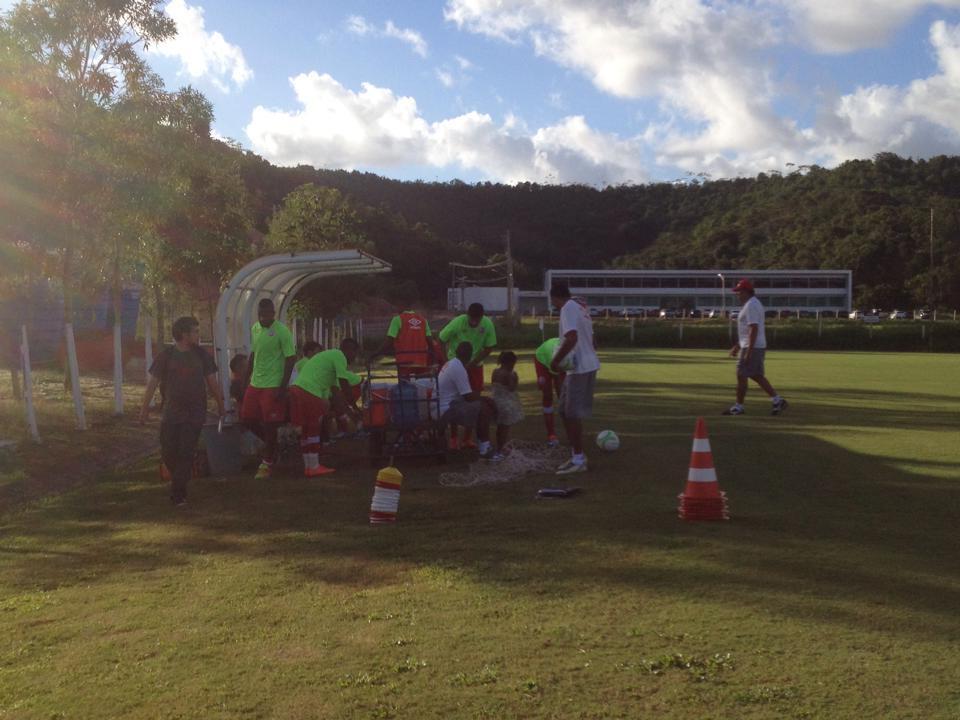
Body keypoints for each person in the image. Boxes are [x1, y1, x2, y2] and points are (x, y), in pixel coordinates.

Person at [139, 316, 224, 506]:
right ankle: (181, 479)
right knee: (168, 452)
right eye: (195, 331)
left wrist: (220, 404)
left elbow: (212, 383)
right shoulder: (167, 355)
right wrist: (144, 409)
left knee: (186, 451)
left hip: (195, 412)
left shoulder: (202, 355)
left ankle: (178, 494)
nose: (198, 335)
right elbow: (152, 383)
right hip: (171, 412)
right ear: (184, 334)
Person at [240, 298, 296, 479]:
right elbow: (254, 354)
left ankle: (267, 462)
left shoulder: (282, 331)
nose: (263, 318)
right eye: (260, 315)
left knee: (271, 424)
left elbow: (290, 358)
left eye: (267, 315)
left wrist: (283, 386)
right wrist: (245, 379)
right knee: (247, 418)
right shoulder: (255, 328)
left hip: (273, 385)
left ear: (273, 313)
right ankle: (273, 446)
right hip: (256, 383)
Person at [549, 282, 600, 475]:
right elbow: (593, 340)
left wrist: (556, 360)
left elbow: (571, 337)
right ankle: (575, 455)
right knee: (564, 411)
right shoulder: (580, 307)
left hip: (580, 368)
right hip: (583, 365)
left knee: (572, 414)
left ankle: (579, 459)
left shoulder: (568, 308)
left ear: (555, 298)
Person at [291, 338, 361, 475]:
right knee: (313, 429)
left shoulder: (330, 359)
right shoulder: (339, 356)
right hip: (310, 391)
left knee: (306, 430)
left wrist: (348, 412)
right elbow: (344, 383)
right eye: (355, 353)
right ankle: (314, 466)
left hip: (297, 389)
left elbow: (336, 392)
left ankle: (308, 466)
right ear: (348, 350)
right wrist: (354, 407)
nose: (355, 357)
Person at [723, 279, 788, 416]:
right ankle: (778, 400)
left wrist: (748, 350)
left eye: (739, 292)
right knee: (756, 375)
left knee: (741, 374)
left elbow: (753, 328)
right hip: (753, 345)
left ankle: (739, 406)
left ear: (746, 292)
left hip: (752, 346)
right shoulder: (752, 304)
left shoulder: (751, 305)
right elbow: (747, 330)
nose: (737, 294)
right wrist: (738, 346)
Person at [438, 303, 497, 449]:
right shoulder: (458, 322)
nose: (474, 322)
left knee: (474, 401)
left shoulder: (487, 324)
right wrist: (445, 361)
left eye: (477, 319)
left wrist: (472, 363)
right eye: (472, 319)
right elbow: (441, 339)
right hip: (457, 363)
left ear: (482, 317)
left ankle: (467, 438)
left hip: (474, 366)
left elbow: (489, 347)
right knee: (455, 399)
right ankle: (453, 438)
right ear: (467, 315)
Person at [437, 341, 497, 459]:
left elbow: (466, 395)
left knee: (480, 406)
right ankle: (484, 448)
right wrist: (486, 399)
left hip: (443, 404)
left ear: (456, 352)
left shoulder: (452, 363)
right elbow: (468, 396)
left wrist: (483, 399)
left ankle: (482, 444)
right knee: (483, 409)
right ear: (470, 356)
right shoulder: (458, 368)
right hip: (446, 408)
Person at [375, 309, 435, 376]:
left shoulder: (397, 319)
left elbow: (390, 340)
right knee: (421, 382)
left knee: (404, 382)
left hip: (404, 362)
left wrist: (377, 353)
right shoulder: (423, 320)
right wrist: (432, 360)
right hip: (421, 362)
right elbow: (430, 342)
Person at [490, 351, 523, 459]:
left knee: (499, 428)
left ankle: (499, 447)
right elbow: (512, 388)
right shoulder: (509, 374)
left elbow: (494, 385)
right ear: (510, 362)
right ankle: (501, 449)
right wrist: (516, 379)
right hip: (506, 405)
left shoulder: (495, 372)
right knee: (505, 428)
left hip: (496, 402)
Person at [533, 337, 566, 447]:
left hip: (558, 361)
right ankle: (551, 435)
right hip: (542, 360)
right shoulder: (556, 357)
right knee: (548, 395)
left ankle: (571, 432)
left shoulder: (573, 356)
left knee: (565, 397)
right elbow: (558, 382)